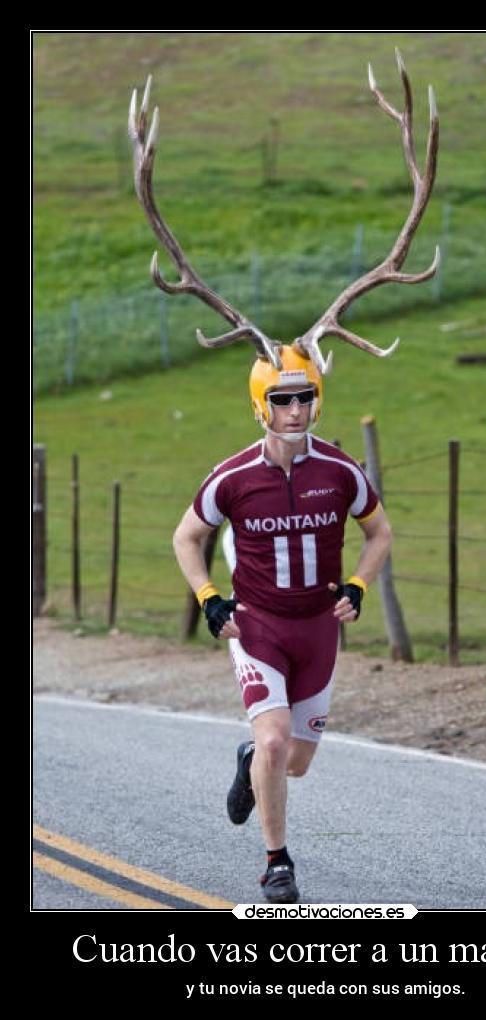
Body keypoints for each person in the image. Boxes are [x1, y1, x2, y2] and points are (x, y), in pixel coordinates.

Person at [172, 345, 392, 903]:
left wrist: (358, 587)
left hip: (318, 630)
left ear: (317, 402)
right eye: (281, 399)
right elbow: (186, 537)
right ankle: (277, 864)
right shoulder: (233, 476)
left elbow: (380, 534)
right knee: (272, 741)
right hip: (258, 629)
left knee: (294, 762)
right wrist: (209, 598)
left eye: (304, 397)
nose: (294, 410)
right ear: (259, 406)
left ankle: (249, 763)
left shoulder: (341, 471)